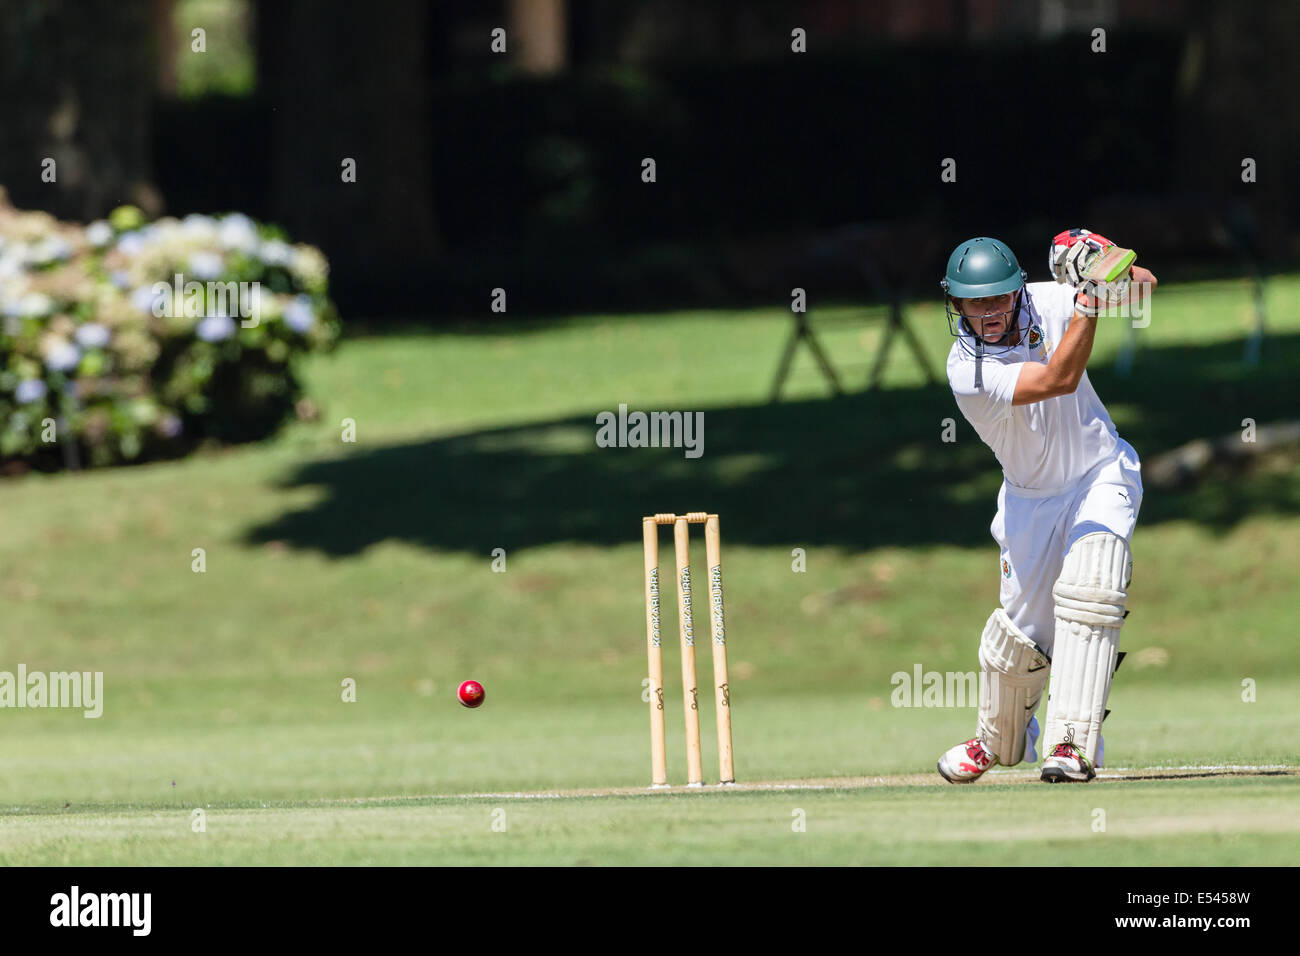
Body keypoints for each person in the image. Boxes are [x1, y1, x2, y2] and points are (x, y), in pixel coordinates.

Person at [933, 233, 1157, 783]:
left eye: (998, 299)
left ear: (1016, 291)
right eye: (974, 302)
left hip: (1101, 472)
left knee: (1092, 587)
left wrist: (1105, 268)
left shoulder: (1047, 298)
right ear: (955, 303)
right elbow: (1059, 379)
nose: (988, 312)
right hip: (1029, 502)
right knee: (1021, 640)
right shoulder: (968, 370)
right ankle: (996, 737)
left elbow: (1146, 288)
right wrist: (1086, 302)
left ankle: (1072, 744)